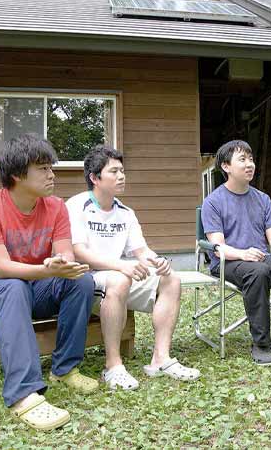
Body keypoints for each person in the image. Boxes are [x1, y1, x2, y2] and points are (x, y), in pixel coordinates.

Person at [0, 134, 103, 431]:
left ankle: (64, 368)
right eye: (42, 168)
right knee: (13, 286)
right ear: (16, 174)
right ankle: (23, 394)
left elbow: (64, 251)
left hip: (31, 288)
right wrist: (46, 270)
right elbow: (1, 268)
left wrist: (61, 263)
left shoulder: (55, 207)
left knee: (80, 281)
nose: (52, 174)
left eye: (50, 167)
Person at [66, 145, 200, 390]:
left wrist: (156, 261)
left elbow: (141, 251)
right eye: (114, 171)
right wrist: (122, 267)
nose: (121, 176)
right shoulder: (77, 206)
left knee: (171, 280)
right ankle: (113, 366)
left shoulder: (125, 212)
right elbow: (79, 251)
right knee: (120, 279)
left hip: (119, 277)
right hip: (87, 281)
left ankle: (161, 358)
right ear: (95, 178)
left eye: (122, 171)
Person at [201, 140, 271, 365]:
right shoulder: (213, 202)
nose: (249, 164)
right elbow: (218, 246)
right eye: (242, 160)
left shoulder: (262, 199)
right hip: (229, 261)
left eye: (251, 159)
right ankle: (261, 344)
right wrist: (243, 254)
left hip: (261, 259)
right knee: (258, 271)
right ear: (226, 167)